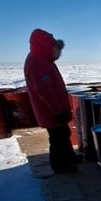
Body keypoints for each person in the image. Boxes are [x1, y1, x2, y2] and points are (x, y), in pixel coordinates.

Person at [24, 28, 80, 174]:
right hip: (50, 111)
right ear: (48, 48)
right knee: (57, 139)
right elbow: (45, 91)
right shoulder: (37, 63)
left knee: (63, 134)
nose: (58, 55)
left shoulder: (42, 60)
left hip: (54, 109)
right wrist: (58, 111)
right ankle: (60, 166)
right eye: (57, 51)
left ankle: (70, 158)